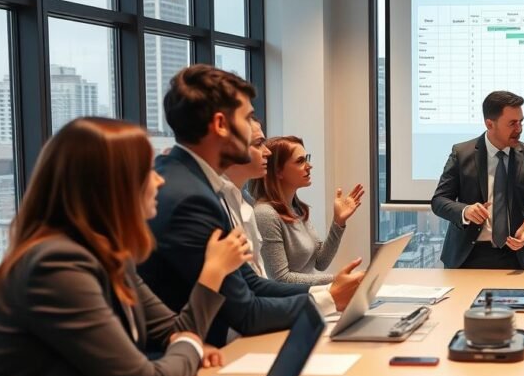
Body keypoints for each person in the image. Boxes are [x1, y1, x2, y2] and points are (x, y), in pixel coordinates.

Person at [0, 118, 250, 376]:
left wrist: (184, 340)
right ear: (111, 187)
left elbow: (176, 329)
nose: (159, 180)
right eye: (147, 171)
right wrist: (193, 336)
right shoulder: (55, 265)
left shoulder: (111, 256)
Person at [138, 65, 365, 346]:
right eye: (247, 119)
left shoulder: (195, 181)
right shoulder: (191, 198)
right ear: (221, 125)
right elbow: (246, 313)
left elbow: (251, 283)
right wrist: (329, 299)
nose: (263, 142)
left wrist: (330, 291)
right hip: (194, 357)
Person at [431, 90, 524, 270]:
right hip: (465, 257)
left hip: (515, 256)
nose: (519, 129)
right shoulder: (462, 153)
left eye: (521, 122)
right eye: (512, 123)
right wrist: (465, 211)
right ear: (490, 123)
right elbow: (439, 201)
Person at [249, 136, 363, 285]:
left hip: (308, 298)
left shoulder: (297, 209)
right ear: (278, 172)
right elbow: (281, 279)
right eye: (300, 161)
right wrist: (337, 280)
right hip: (291, 304)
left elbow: (320, 262)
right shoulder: (265, 214)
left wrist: (339, 222)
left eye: (306, 158)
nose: (309, 166)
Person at [220, 117, 272, 276]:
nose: (267, 152)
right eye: (258, 144)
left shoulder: (245, 203)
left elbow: (257, 276)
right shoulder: (217, 203)